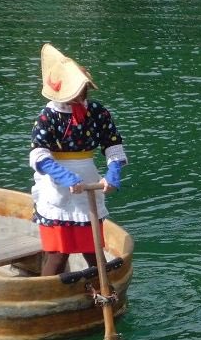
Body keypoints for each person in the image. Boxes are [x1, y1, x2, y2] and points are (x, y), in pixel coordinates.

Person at [29, 44, 128, 276]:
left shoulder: (97, 112)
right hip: (56, 185)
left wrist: (113, 172)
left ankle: (99, 287)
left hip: (88, 180)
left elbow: (112, 144)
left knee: (93, 248)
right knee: (58, 254)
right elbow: (39, 155)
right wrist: (64, 176)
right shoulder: (48, 116)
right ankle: (47, 294)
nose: (82, 95)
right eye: (78, 90)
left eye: (83, 90)